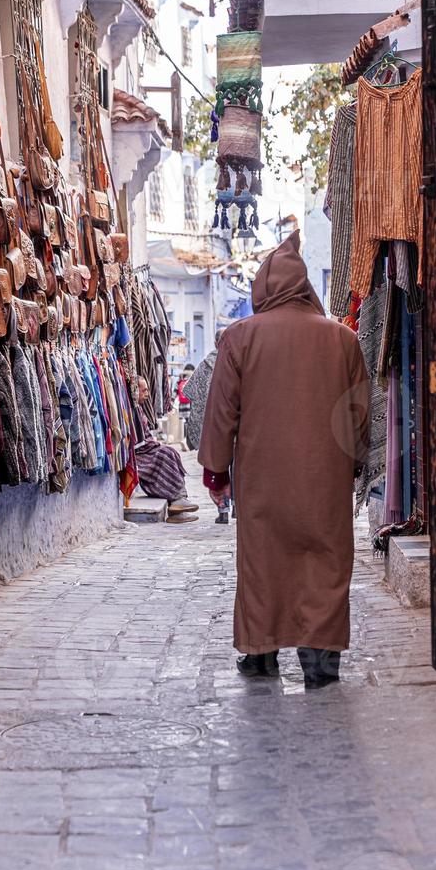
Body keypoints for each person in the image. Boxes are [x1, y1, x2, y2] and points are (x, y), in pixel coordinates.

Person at [198, 231, 370, 689]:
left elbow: (221, 412)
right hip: (325, 478)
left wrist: (215, 471)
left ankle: (260, 652)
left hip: (263, 481)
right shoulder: (343, 340)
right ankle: (321, 659)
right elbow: (358, 412)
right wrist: (351, 466)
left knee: (263, 562)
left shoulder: (239, 338)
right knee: (326, 560)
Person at [183, 329, 234, 526]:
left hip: (212, 428)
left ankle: (222, 508)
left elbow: (190, 392)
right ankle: (237, 506)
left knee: (217, 467)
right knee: (237, 465)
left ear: (214, 343)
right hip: (235, 425)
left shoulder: (205, 365)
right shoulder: (237, 363)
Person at [134, 377, 199, 523]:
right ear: (134, 390)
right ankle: (177, 500)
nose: (147, 394)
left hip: (145, 448)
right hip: (138, 454)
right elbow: (135, 441)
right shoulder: (130, 410)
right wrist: (152, 445)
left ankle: (179, 502)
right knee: (166, 454)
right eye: (143, 391)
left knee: (171, 452)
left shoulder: (138, 409)